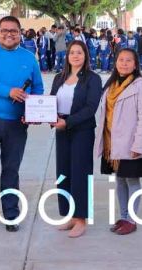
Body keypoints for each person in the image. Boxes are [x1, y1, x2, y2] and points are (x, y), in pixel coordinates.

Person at [0, 16, 43, 232]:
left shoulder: (29, 58)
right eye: (4, 30)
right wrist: (8, 91)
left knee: (11, 170)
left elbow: (38, 89)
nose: (9, 34)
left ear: (20, 32)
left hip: (16, 123)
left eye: (13, 30)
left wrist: (32, 112)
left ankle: (11, 214)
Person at [94, 48, 142, 236]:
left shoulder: (140, 86)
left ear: (135, 64)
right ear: (115, 62)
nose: (124, 63)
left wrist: (139, 144)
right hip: (112, 142)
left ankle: (132, 219)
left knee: (131, 180)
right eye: (121, 60)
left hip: (130, 142)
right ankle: (124, 216)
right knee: (119, 180)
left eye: (129, 60)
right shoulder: (110, 85)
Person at [49, 41, 101, 238]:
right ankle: (70, 215)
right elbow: (51, 102)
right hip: (62, 130)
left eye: (80, 52)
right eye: (72, 52)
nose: (76, 56)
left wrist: (67, 122)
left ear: (86, 55)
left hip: (81, 130)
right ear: (67, 56)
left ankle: (81, 219)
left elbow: (90, 108)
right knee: (64, 173)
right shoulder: (59, 77)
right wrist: (43, 116)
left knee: (80, 173)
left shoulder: (92, 79)